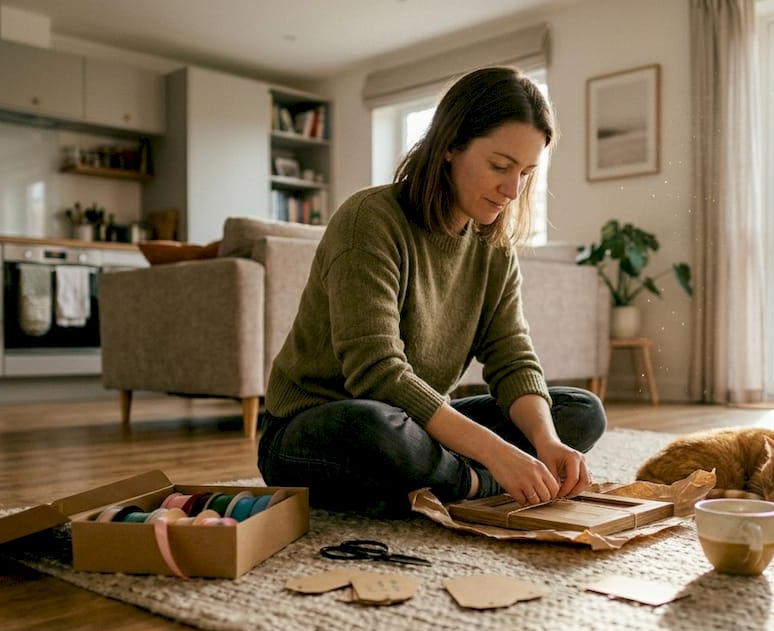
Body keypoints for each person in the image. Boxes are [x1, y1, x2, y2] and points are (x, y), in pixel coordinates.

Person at [257, 66, 607, 518]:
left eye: (526, 172)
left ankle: (432, 479)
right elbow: (378, 375)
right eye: (500, 166)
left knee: (580, 411)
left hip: (416, 423)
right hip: (319, 427)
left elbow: (513, 359)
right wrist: (498, 455)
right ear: (449, 146)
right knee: (374, 427)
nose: (512, 189)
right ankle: (472, 482)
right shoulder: (370, 220)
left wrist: (547, 442)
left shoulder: (492, 246)